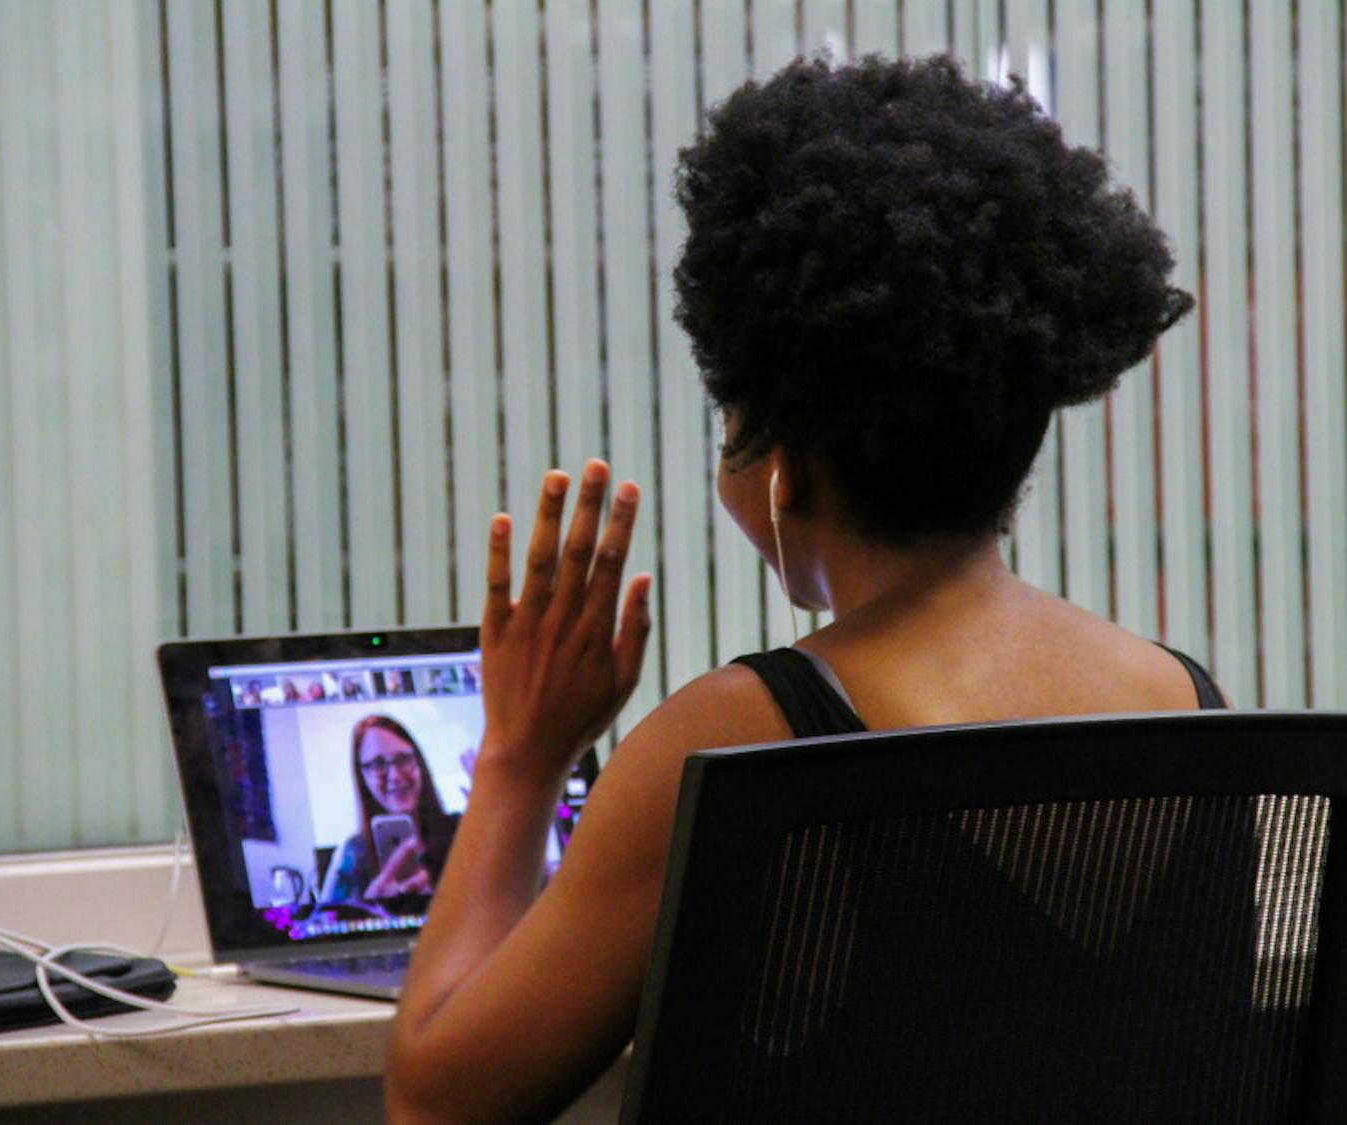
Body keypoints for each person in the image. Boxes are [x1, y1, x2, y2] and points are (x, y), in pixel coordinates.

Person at [385, 54, 1212, 1121]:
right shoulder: (1185, 697)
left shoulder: (741, 742)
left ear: (781, 461)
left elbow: (435, 1106)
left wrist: (520, 754)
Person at [323, 716, 458, 904]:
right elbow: (325, 923)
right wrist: (371, 913)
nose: (395, 776)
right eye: (377, 764)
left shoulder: (462, 830)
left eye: (403, 759)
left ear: (419, 763)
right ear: (362, 778)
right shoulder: (353, 853)